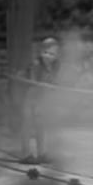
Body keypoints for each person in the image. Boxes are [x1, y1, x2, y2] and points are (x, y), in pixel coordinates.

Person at [19, 37, 60, 165]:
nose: (48, 56)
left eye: (52, 54)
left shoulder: (54, 66)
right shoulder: (36, 65)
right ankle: (26, 155)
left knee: (40, 127)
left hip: (41, 100)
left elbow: (53, 82)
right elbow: (33, 83)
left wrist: (53, 87)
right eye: (46, 53)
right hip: (30, 99)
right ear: (41, 52)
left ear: (56, 55)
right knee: (28, 126)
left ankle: (41, 153)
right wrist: (44, 86)